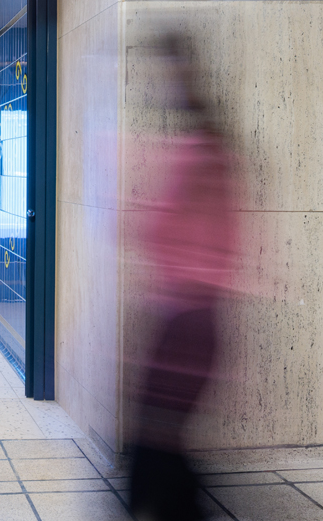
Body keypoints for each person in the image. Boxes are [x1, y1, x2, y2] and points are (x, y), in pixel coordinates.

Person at [129, 34, 240, 521]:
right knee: (161, 445)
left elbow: (160, 229)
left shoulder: (198, 151)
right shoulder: (213, 149)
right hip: (196, 315)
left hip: (186, 320)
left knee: (154, 449)